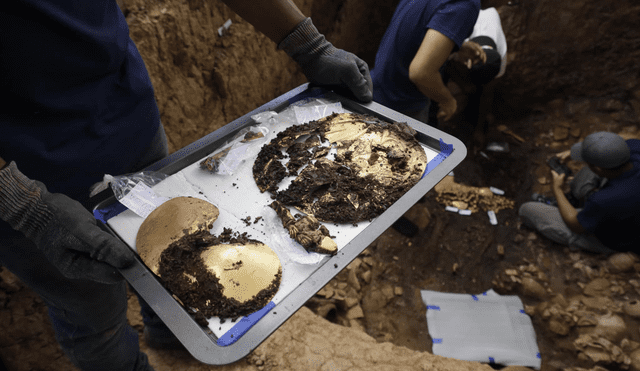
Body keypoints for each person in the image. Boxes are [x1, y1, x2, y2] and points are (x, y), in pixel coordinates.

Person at [0, 1, 372, 370]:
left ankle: (170, 333)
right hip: (31, 173)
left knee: (176, 250)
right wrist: (20, 203)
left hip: (127, 118)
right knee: (93, 313)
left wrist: (309, 45)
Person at [519, 131, 640, 254]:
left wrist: (558, 189)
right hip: (628, 202)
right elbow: (625, 136)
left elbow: (575, 225)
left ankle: (575, 209)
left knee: (527, 210)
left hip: (620, 237)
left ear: (598, 168)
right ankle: (574, 202)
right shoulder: (636, 149)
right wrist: (579, 151)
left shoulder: (604, 199)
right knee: (581, 186)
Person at [370, 0, 481, 124]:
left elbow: (415, 25)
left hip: (374, 87)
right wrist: (447, 101)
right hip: (400, 109)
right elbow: (421, 72)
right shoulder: (467, 4)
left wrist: (451, 42)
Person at [437, 7, 507, 151]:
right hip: (461, 39)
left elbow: (488, 93)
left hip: (485, 17)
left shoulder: (502, 55)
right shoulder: (456, 37)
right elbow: (441, 65)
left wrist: (479, 130)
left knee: (479, 92)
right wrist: (447, 99)